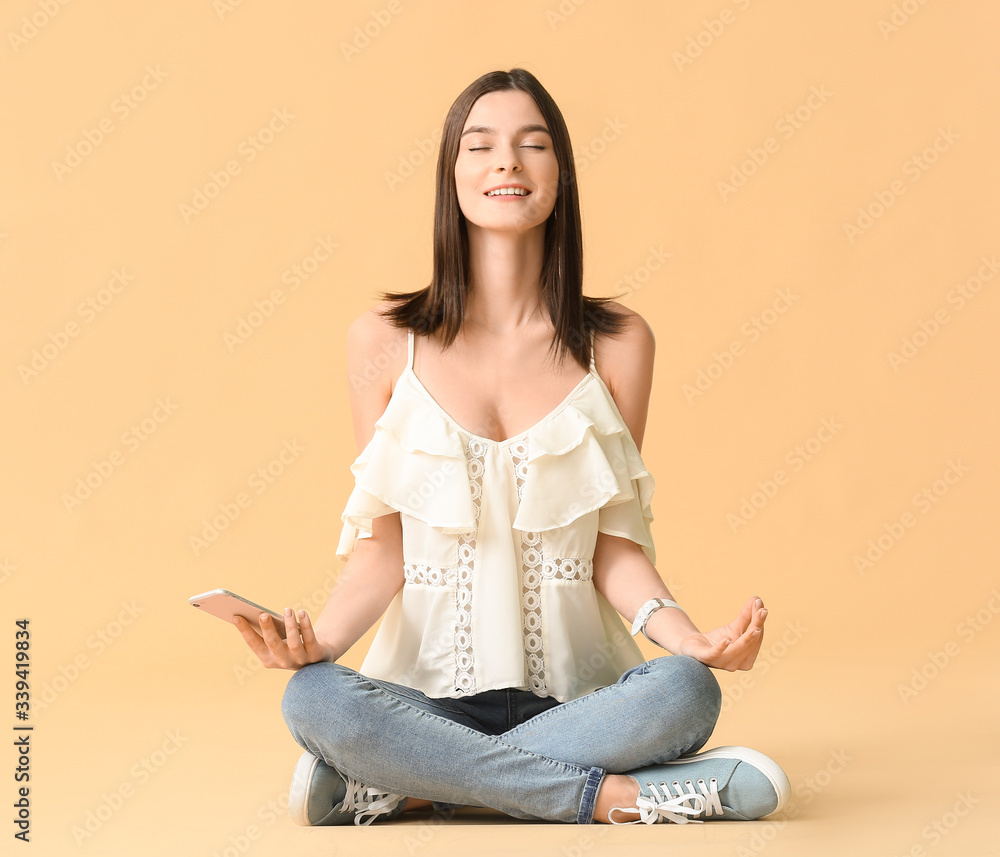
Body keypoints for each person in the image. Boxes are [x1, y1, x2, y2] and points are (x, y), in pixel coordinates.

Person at [233, 67, 790, 827]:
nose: (507, 163)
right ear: (451, 176)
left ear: (560, 176)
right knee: (316, 697)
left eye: (534, 145)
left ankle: (414, 786)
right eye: (481, 146)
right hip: (426, 702)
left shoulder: (617, 345)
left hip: (578, 702)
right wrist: (314, 641)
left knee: (688, 690)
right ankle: (610, 797)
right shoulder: (383, 342)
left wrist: (691, 636)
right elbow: (382, 551)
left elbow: (612, 549)